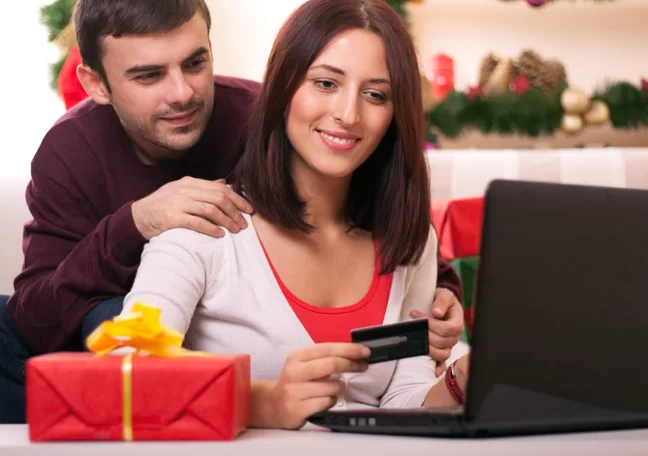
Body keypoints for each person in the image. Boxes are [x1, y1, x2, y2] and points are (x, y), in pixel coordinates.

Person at [0, 0, 464, 424]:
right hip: (101, 325)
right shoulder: (79, 158)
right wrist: (135, 223)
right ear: (96, 84)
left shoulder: (262, 110)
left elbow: (408, 373)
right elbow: (46, 324)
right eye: (148, 76)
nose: (182, 93)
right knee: (106, 319)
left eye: (195, 62)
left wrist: (447, 307)